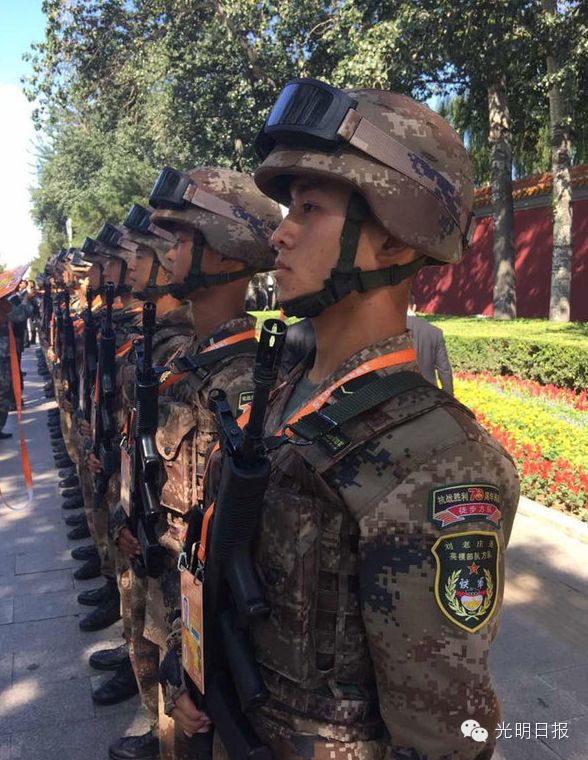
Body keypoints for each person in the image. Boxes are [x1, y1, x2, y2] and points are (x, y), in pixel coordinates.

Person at [172, 81, 520, 760]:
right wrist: (192, 665)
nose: (281, 233)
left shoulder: (438, 463)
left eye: (310, 208)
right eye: (288, 209)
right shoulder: (282, 396)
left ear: (394, 241)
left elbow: (444, 738)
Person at [123, 166, 281, 760]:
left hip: (204, 626)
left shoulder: (244, 385)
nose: (166, 253)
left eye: (183, 239)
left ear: (226, 252)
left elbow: (222, 543)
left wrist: (196, 659)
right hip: (179, 610)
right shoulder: (190, 363)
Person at [407, 302, 454, 395]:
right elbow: (444, 370)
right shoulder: (434, 332)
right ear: (414, 307)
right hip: (429, 392)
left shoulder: (392, 330)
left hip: (402, 394)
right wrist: (449, 397)